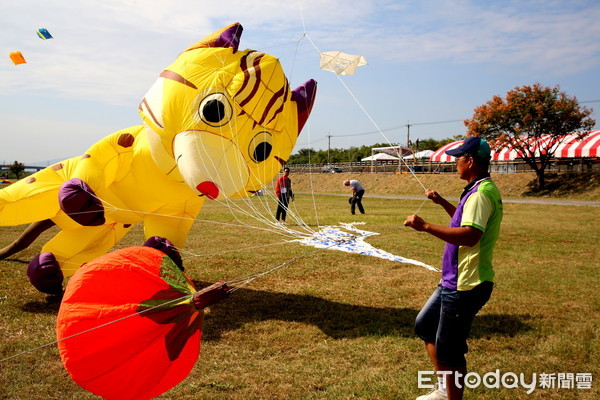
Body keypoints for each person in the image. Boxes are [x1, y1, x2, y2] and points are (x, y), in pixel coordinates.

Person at [404, 137, 503, 400]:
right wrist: (442, 202)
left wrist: (424, 226)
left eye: (458, 158)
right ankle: (442, 390)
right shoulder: (476, 189)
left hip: (466, 284)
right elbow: (462, 218)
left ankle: (452, 398)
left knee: (450, 350)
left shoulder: (481, 194)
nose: (455, 163)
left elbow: (469, 235)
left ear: (470, 161)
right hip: (452, 281)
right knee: (425, 326)